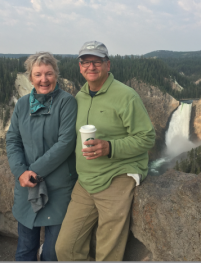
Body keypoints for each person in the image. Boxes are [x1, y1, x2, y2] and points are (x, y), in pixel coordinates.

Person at [56, 41, 155, 261]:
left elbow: (147, 137)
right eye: (85, 61)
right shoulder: (80, 97)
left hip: (117, 176)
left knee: (107, 253)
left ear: (107, 65)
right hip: (85, 181)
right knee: (65, 248)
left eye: (97, 61)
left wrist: (109, 147)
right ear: (79, 66)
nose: (91, 66)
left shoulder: (126, 96)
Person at [6, 52, 77, 261]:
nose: (43, 79)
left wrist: (33, 171)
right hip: (27, 187)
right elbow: (13, 140)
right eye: (38, 74)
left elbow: (65, 144)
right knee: (25, 249)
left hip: (58, 189)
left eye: (48, 73)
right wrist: (20, 172)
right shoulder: (21, 105)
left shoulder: (67, 103)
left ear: (56, 75)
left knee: (52, 253)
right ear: (30, 78)